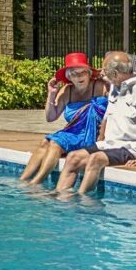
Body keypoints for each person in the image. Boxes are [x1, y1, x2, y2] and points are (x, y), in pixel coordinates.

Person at [54, 51, 136, 196]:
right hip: (111, 144)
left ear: (116, 74)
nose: (101, 73)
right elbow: (107, 116)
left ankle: (82, 200)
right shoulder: (115, 86)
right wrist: (99, 142)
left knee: (96, 159)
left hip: (132, 147)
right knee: (73, 157)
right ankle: (62, 198)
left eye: (105, 71)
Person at [18, 52, 109, 184]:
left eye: (82, 72)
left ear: (89, 73)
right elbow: (51, 117)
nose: (78, 77)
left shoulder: (100, 86)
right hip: (73, 135)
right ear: (69, 77)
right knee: (45, 142)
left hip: (93, 135)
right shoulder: (67, 91)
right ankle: (23, 180)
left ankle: (36, 182)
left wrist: (109, 81)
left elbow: (119, 99)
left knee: (55, 142)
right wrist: (51, 94)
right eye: (73, 74)